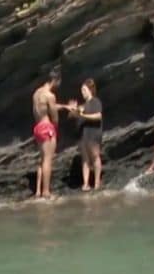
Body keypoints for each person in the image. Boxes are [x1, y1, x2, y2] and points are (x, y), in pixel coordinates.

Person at [32, 69, 68, 198]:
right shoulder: (50, 95)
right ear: (55, 80)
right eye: (59, 82)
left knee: (42, 160)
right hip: (47, 128)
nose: (58, 85)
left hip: (38, 128)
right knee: (48, 160)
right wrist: (55, 128)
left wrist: (64, 106)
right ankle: (46, 192)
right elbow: (54, 116)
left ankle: (38, 191)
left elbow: (45, 107)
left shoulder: (37, 93)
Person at [69, 79, 104, 191]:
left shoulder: (96, 101)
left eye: (84, 90)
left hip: (93, 133)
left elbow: (98, 116)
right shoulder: (82, 105)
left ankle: (97, 182)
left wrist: (83, 115)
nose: (82, 92)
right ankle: (85, 183)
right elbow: (71, 116)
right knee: (85, 160)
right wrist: (73, 110)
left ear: (90, 90)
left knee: (95, 157)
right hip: (82, 135)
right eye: (81, 90)